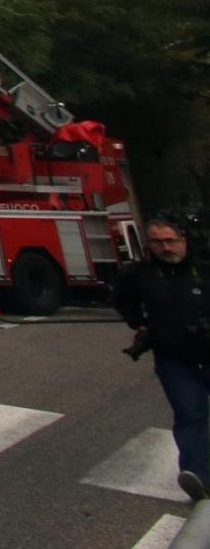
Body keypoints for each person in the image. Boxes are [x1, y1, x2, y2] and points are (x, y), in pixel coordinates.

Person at [117, 213, 210, 501]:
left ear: (184, 240)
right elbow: (121, 299)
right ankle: (199, 477)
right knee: (190, 413)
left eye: (171, 241)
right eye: (157, 242)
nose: (166, 248)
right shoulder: (139, 275)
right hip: (174, 358)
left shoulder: (204, 269)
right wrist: (139, 323)